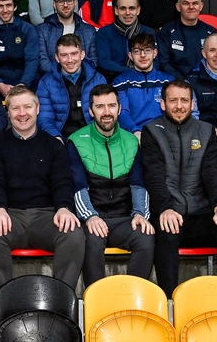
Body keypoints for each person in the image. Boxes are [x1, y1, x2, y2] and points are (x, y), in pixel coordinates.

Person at [141, 79, 217, 297]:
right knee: (167, 231)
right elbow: (154, 176)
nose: (179, 106)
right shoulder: (151, 130)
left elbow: (212, 174)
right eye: (173, 100)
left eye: (184, 100)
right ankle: (169, 301)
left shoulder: (206, 132)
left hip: (201, 213)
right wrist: (165, 208)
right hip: (170, 212)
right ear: (163, 104)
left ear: (193, 103)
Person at [0, 86, 84, 296]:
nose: (22, 113)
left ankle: (61, 300)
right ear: (8, 112)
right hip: (10, 216)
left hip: (47, 216)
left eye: (27, 106)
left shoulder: (54, 147)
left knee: (73, 234)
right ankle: (4, 300)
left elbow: (62, 182)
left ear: (37, 108)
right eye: (15, 108)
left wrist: (64, 208)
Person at [68, 84, 154, 287]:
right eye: (100, 107)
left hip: (125, 218)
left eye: (111, 106)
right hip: (94, 217)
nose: (106, 112)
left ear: (119, 108)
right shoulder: (77, 141)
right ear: (90, 111)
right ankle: (95, 302)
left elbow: (139, 184)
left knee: (145, 237)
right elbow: (78, 186)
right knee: (91, 241)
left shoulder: (131, 141)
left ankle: (135, 299)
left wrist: (140, 214)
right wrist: (90, 216)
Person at [37, 34, 106, 142]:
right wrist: (55, 137)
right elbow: (45, 118)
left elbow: (104, 114)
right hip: (61, 137)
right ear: (57, 58)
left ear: (82, 54)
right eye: (64, 55)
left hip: (92, 137)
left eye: (74, 54)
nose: (70, 60)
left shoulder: (98, 79)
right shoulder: (46, 82)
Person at [112, 33, 174, 140]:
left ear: (155, 53)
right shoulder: (120, 82)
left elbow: (173, 110)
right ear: (130, 55)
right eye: (137, 51)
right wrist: (135, 131)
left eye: (147, 50)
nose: (143, 55)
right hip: (132, 136)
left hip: (164, 135)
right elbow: (121, 112)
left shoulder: (169, 81)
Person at [36, 0, 99, 74]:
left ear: (75, 2)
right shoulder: (42, 30)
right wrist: (63, 76)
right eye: (60, 1)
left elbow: (93, 61)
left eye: (69, 0)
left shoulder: (89, 31)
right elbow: (42, 61)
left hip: (82, 79)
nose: (65, 5)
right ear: (54, 4)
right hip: (52, 79)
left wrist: (78, 76)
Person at [157, 0, 217, 79]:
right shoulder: (167, 31)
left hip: (204, 82)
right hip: (175, 83)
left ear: (201, 6)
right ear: (178, 7)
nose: (191, 7)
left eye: (195, 3)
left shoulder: (211, 33)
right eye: (186, 3)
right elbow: (163, 63)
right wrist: (183, 82)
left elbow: (215, 61)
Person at [95, 0, 155, 82]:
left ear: (138, 10)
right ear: (116, 10)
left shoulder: (148, 31)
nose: (127, 13)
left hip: (145, 78)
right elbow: (104, 62)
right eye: (123, 8)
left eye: (132, 8)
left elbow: (155, 60)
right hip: (112, 80)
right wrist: (133, 72)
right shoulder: (104, 32)